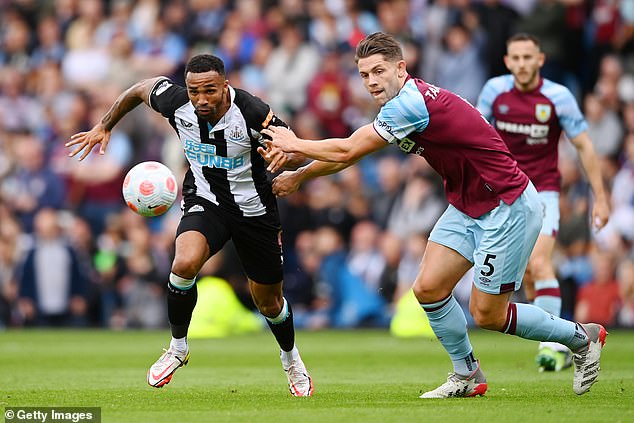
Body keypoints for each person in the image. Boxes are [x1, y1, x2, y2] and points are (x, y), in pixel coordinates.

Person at [263, 32, 606, 398]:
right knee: (428, 288)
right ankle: (467, 374)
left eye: (379, 71)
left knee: (488, 314)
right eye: (364, 75)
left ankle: (582, 338)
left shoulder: (409, 104)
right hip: (466, 204)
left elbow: (347, 151)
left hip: (507, 206)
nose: (372, 81)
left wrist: (295, 144)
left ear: (400, 68)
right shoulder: (400, 105)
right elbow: (351, 152)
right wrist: (300, 175)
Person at [65, 54, 313, 396]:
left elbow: (296, 145)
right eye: (194, 91)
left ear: (225, 86)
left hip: (254, 210)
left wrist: (286, 155)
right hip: (205, 200)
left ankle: (291, 359)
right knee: (183, 263)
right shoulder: (176, 101)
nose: (201, 99)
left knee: (268, 303)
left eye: (209, 91)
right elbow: (139, 89)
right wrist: (105, 125)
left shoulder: (252, 110)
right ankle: (178, 347)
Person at [476, 33, 610, 372]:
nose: (522, 64)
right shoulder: (494, 91)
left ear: (540, 60)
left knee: (538, 263)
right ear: (507, 62)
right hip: (503, 193)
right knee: (530, 279)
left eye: (527, 57)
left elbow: (584, 146)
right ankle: (566, 339)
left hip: (543, 192)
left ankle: (551, 347)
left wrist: (601, 198)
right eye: (515, 58)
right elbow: (475, 135)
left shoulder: (557, 96)